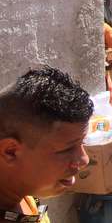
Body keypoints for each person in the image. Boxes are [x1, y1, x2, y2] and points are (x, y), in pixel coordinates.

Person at [0, 67, 92, 222]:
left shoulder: (20, 192)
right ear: (10, 152)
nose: (84, 160)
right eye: (67, 149)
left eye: (82, 143)